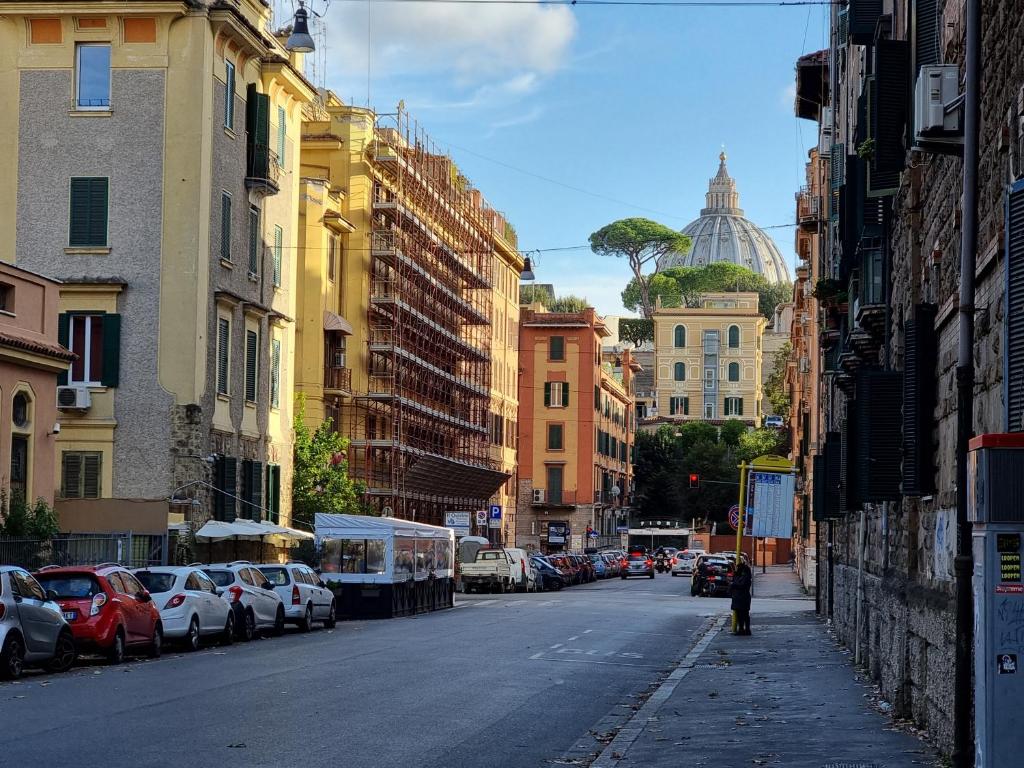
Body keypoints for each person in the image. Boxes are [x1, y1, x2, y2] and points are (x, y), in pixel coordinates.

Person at [731, 561, 753, 635]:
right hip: (739, 598)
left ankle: (745, 629)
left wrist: (733, 585)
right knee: (741, 614)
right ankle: (742, 629)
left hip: (742, 598)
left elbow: (741, 585)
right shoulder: (741, 576)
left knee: (743, 614)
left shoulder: (745, 577)